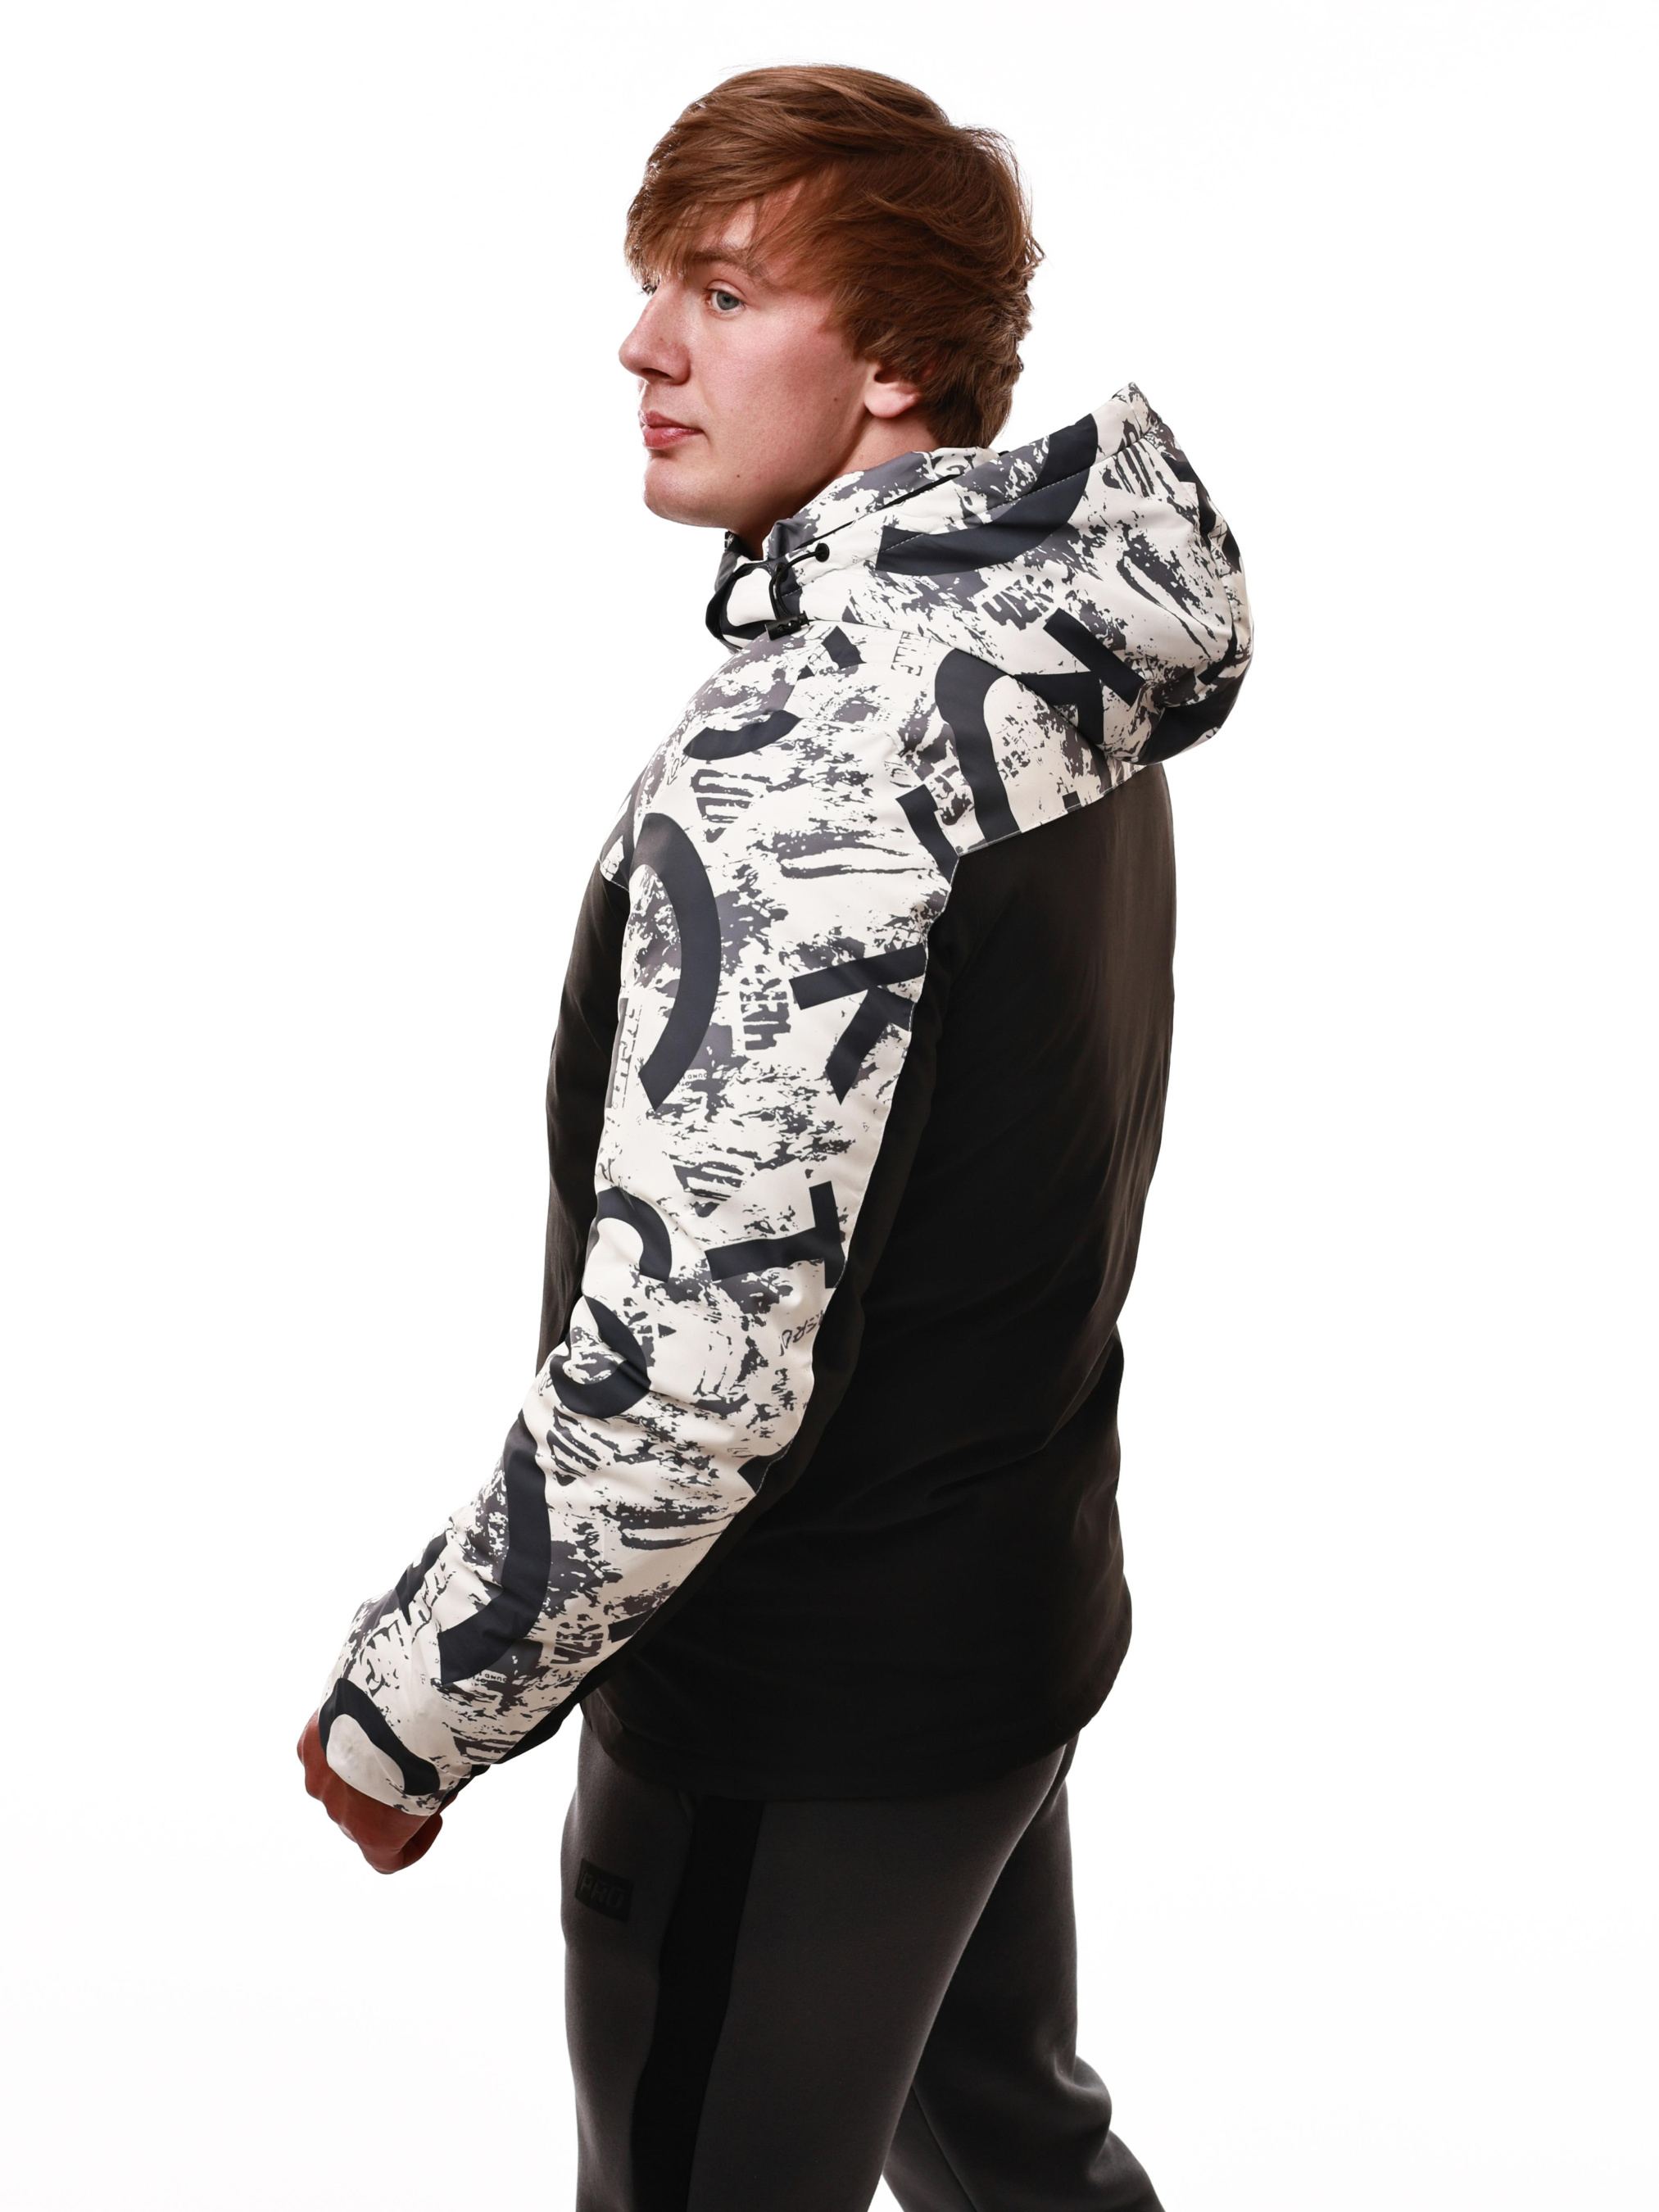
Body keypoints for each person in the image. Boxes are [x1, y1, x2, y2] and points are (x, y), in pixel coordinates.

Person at [298, 63, 1251, 2212]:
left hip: (797, 1706)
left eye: (723, 295)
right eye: (657, 283)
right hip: (1000, 1616)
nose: (645, 346)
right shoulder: (1040, 650)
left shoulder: (815, 760)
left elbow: (689, 1387)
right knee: (1014, 2154)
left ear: (895, 360)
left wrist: (413, 1707)